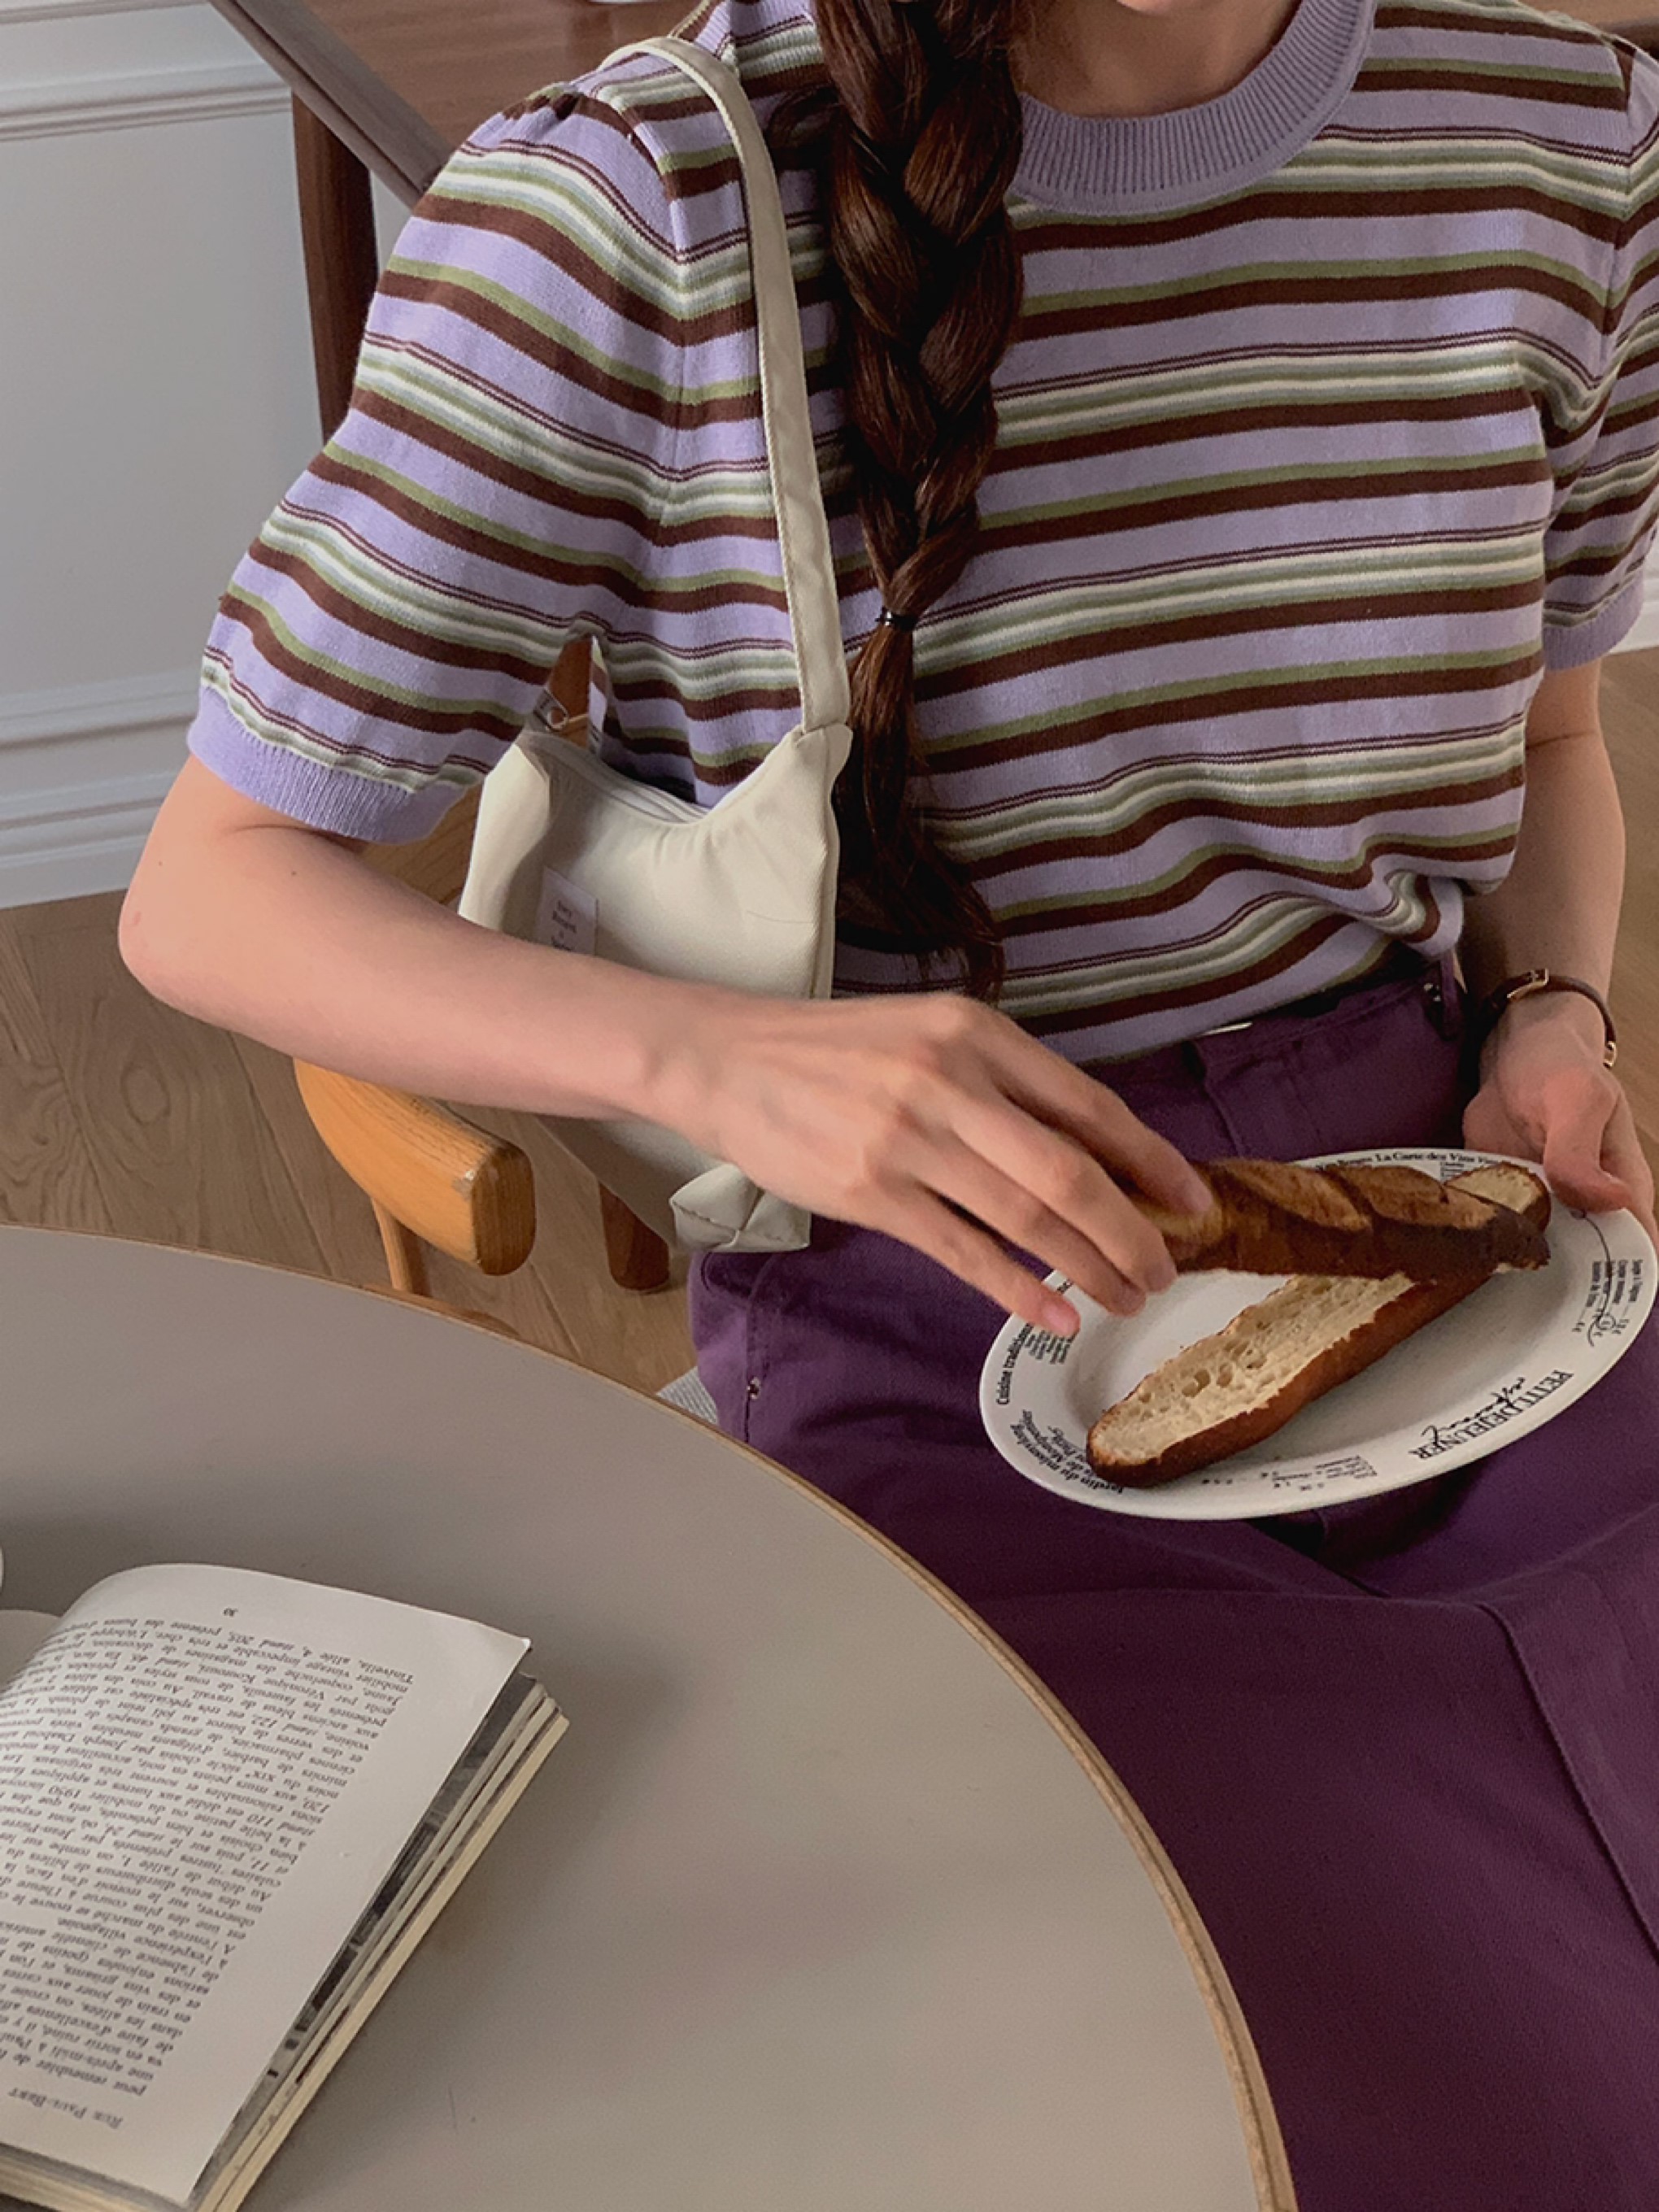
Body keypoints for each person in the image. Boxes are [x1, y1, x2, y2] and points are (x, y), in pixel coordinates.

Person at [120, 0, 1659, 2200]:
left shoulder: (1565, 136)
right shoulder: (638, 206)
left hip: (1467, 1259)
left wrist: (1557, 1019)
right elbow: (213, 889)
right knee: (1338, 2094)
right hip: (930, 1316)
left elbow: (1558, 749)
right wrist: (721, 1057)